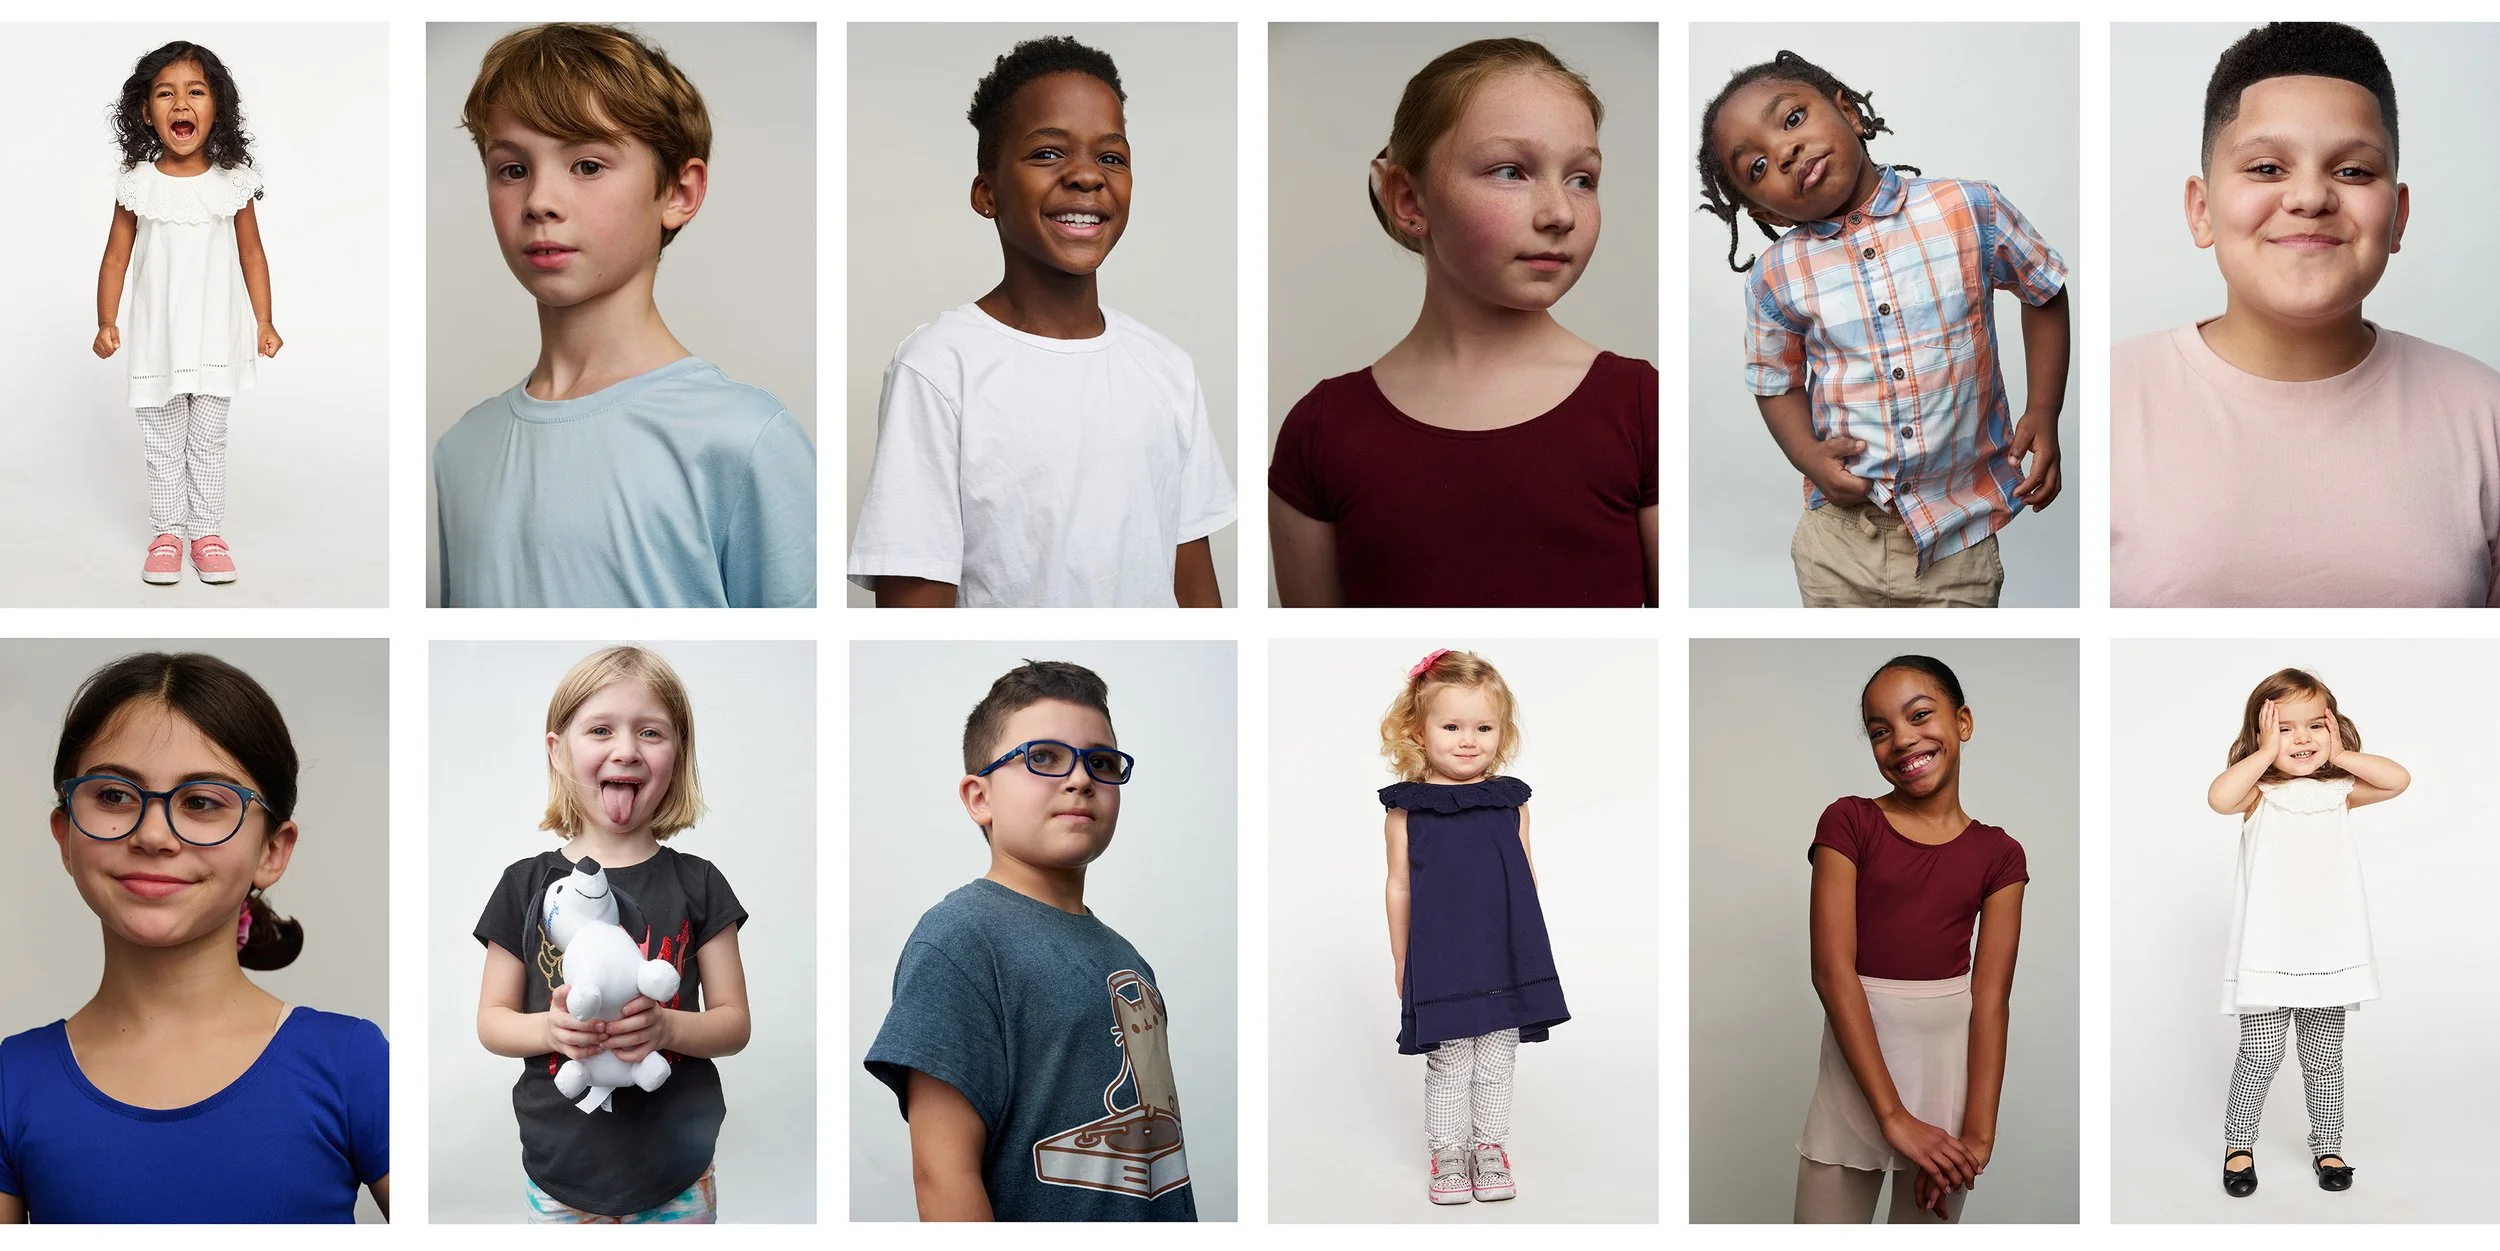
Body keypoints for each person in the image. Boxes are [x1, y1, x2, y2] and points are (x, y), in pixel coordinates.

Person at [2112, 22, 2500, 607]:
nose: (2310, 197)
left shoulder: (2483, 410)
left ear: (2397, 216)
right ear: (2201, 209)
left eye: (2353, 171)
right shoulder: (2114, 397)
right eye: (2267, 168)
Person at [433, 23, 816, 608]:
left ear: (678, 193)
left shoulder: (743, 438)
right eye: (512, 169)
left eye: (587, 165)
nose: (540, 201)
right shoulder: (461, 449)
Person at [848, 36, 1234, 608]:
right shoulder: (936, 368)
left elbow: (1196, 591)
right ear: (987, 193)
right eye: (1048, 153)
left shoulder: (1166, 369)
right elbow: (915, 611)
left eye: (1111, 157)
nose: (1086, 176)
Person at [0, 653, 388, 1222]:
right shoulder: (12, 1079)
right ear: (65, 835)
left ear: (273, 851)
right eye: (113, 795)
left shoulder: (352, 1063)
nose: (154, 834)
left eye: (202, 802)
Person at [1271, 39, 1658, 608]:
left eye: (1582, 178)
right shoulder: (1320, 434)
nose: (1560, 213)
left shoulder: (1643, 408)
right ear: (1408, 198)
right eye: (1511, 171)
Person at [1698, 51, 2071, 608]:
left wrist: (2044, 410)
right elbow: (1773, 381)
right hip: (1840, 541)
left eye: (1793, 119)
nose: (1784, 151)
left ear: (1848, 111)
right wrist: (1807, 455)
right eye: (1756, 167)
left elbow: (2043, 289)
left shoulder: (1967, 209)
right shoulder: (1776, 277)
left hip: (1959, 533)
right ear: (1764, 214)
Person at [865, 661, 1196, 1220]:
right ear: (979, 799)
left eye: (1102, 761)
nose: (1081, 779)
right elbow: (943, 1175)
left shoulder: (1127, 957)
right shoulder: (960, 940)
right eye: (1043, 757)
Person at [472, 645, 751, 1222]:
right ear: (558, 751)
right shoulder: (524, 886)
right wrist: (551, 1029)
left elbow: (733, 1023)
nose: (626, 750)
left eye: (651, 733)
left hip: (676, 1172)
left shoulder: (700, 884)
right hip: (560, 1169)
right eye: (600, 730)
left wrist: (668, 1025)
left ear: (679, 752)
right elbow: (492, 1023)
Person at [1795, 657, 2025, 1223]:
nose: (1902, 740)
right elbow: (1831, 971)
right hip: (1858, 1079)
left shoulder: (2000, 854)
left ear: (1962, 722)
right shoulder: (1848, 822)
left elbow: (1990, 999)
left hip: (1948, 1087)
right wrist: (1893, 1115)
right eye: (1879, 731)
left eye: (1920, 715)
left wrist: (1978, 1133)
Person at [2205, 668, 2406, 1198]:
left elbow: (2397, 779)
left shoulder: (2338, 792)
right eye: (2284, 728)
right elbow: (2220, 798)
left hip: (2328, 949)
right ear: (2262, 733)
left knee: (2324, 1058)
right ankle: (2239, 1143)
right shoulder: (2259, 794)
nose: (2302, 739)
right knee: (2260, 1056)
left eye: (2314, 726)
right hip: (2270, 951)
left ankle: (2328, 1143)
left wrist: (2338, 755)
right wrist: (2263, 752)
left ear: (2334, 727)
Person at [1378, 649, 1568, 1202]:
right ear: (1418, 729)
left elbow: (1525, 875)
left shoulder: (1510, 803)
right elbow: (1399, 886)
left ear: (1501, 731)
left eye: (1483, 727)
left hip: (1504, 949)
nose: (1469, 740)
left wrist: (1525, 949)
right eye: (1453, 726)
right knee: (1451, 1059)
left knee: (1497, 1057)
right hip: (1441, 954)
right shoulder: (1407, 811)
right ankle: (1447, 1152)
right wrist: (1401, 959)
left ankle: (1489, 1146)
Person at [94, 42, 281, 585]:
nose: (181, 103)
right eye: (165, 93)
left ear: (216, 106)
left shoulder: (233, 182)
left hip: (216, 338)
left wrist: (264, 321)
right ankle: (167, 532)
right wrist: (107, 321)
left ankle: (205, 532)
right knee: (161, 438)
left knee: (207, 438)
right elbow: (115, 257)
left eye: (195, 91)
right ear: (145, 111)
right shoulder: (137, 185)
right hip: (158, 340)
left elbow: (252, 254)